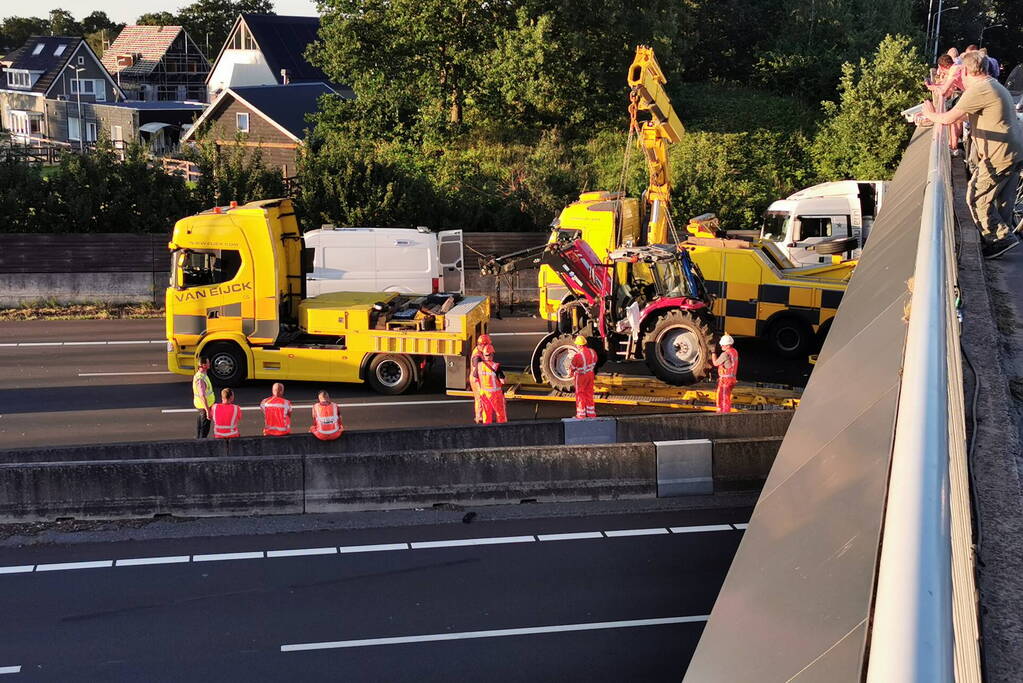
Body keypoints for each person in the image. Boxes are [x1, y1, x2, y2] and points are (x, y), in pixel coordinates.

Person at [922, 49, 1023, 259]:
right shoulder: (994, 85)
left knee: (976, 196)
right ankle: (1002, 239)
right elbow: (970, 116)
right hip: (1014, 149)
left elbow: (950, 118)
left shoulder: (979, 89)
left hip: (999, 153)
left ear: (966, 72)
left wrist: (929, 113)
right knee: (1002, 198)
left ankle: (999, 239)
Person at [474, 344, 507, 424]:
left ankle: (487, 430)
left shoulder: (479, 365)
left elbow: (475, 378)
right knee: (500, 414)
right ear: (492, 354)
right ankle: (502, 431)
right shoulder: (496, 366)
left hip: (484, 394)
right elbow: (503, 381)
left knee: (486, 414)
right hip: (495, 394)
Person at [569, 335, 598, 419]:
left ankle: (581, 415)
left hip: (581, 376)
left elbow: (572, 368)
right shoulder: (592, 352)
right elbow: (595, 361)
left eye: (577, 345)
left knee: (580, 394)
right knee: (589, 393)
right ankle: (591, 414)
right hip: (590, 375)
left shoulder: (578, 356)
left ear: (579, 345)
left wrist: (571, 374)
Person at [469, 333, 492, 424]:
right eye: (487, 345)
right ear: (482, 345)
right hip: (477, 380)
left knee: (481, 398)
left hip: (478, 378)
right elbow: (476, 372)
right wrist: (479, 385)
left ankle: (481, 416)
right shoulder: (477, 357)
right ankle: (479, 418)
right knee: (480, 398)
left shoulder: (479, 351)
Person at [712, 334, 739, 414]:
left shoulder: (725, 354)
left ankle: (723, 414)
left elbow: (715, 363)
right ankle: (724, 412)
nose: (721, 346)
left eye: (722, 345)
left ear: (727, 345)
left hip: (725, 381)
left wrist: (713, 353)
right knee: (726, 398)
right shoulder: (734, 351)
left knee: (722, 398)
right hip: (732, 379)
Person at [192, 357, 215, 439]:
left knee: (200, 428)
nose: (209, 364)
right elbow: (202, 395)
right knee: (204, 430)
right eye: (208, 363)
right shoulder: (201, 379)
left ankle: (198, 441)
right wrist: (208, 411)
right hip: (204, 407)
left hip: (201, 406)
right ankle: (201, 445)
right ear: (203, 365)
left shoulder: (201, 375)